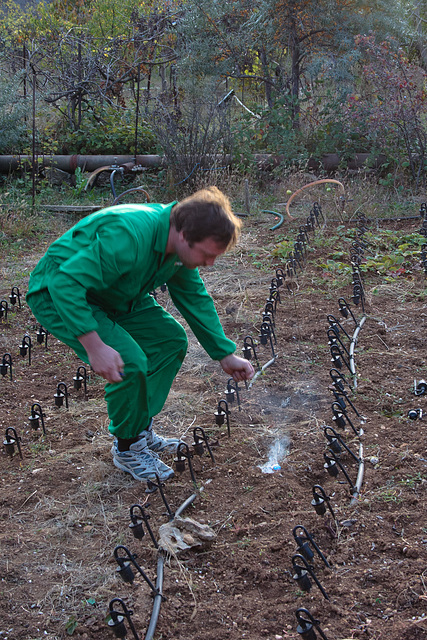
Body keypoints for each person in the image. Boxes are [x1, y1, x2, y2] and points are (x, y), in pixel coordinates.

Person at [26, 186, 254, 482]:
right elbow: (65, 283)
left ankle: (139, 429)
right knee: (130, 361)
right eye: (207, 255)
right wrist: (94, 345)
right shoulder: (129, 236)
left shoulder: (177, 247)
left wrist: (224, 353)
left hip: (115, 292)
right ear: (184, 235)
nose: (209, 263)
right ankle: (127, 447)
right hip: (60, 293)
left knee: (169, 341)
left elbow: (194, 297)